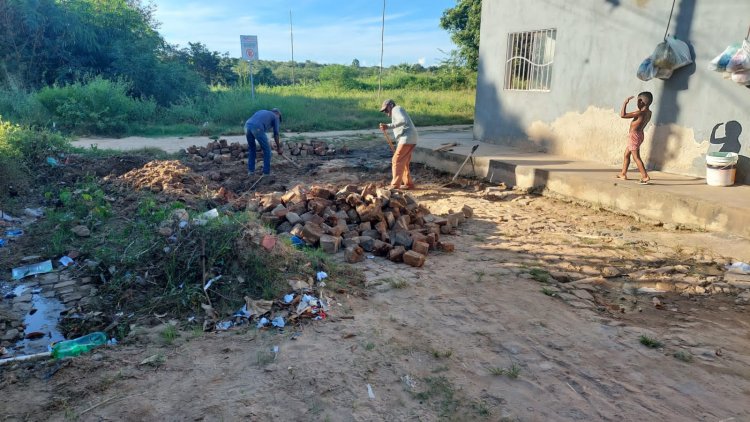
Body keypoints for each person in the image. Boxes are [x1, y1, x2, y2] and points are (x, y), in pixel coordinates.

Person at [379, 99, 419, 189]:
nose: (385, 112)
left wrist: (388, 126)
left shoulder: (396, 109)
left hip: (407, 138)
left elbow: (403, 120)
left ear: (391, 105)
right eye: (384, 111)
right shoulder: (396, 111)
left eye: (386, 109)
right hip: (411, 138)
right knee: (403, 162)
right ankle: (409, 184)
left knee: (396, 160)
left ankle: (395, 185)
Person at [617, 92, 653, 184]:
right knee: (626, 154)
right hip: (640, 134)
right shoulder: (649, 113)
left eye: (637, 101)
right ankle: (623, 174)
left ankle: (645, 176)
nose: (637, 103)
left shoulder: (639, 113)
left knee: (636, 157)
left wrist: (625, 103)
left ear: (641, 102)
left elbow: (623, 115)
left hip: (634, 136)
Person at [244, 108, 282, 177]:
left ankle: (251, 171)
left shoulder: (263, 111)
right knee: (267, 151)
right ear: (278, 114)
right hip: (257, 128)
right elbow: (276, 134)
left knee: (252, 149)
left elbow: (259, 125)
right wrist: (279, 148)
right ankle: (266, 173)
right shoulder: (276, 117)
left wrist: (266, 141)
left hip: (247, 126)